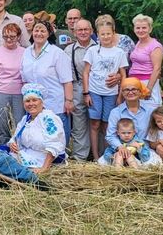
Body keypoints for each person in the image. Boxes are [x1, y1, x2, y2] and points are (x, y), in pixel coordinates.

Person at [21, 20, 73, 144]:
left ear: (49, 33)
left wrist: (69, 101)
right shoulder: (26, 52)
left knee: (57, 133)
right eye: (36, 30)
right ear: (32, 33)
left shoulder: (57, 53)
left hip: (54, 102)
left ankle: (60, 158)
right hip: (34, 104)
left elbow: (67, 81)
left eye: (42, 30)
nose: (39, 33)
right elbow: (24, 79)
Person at [82, 20, 128, 160]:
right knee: (95, 123)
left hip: (111, 93)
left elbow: (123, 74)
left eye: (109, 34)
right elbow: (86, 73)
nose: (106, 36)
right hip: (95, 92)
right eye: (103, 34)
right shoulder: (92, 50)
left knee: (107, 125)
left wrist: (120, 95)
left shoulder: (119, 52)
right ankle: (96, 156)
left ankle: (108, 155)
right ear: (97, 35)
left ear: (113, 34)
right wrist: (86, 93)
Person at [7, 83, 66, 173]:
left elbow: (55, 144)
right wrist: (12, 144)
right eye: (27, 101)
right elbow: (15, 137)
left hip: (43, 159)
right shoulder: (25, 119)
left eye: (34, 100)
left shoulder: (49, 118)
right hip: (27, 154)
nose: (31, 104)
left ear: (41, 102)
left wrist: (44, 168)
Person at [0, 23, 26, 145]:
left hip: (19, 92)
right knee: (2, 124)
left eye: (12, 36)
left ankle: (19, 149)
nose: (9, 39)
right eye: (5, 36)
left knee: (19, 123)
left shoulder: (25, 52)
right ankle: (3, 150)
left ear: (18, 37)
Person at [103, 78, 159, 166]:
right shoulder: (115, 112)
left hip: (143, 150)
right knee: (104, 164)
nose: (130, 92)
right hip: (121, 149)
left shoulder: (150, 110)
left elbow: (157, 130)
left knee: (153, 166)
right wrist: (120, 147)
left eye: (134, 89)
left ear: (140, 91)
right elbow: (110, 136)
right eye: (126, 90)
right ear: (122, 93)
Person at [64, 19, 97, 161]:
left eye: (86, 29)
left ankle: (100, 154)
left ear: (91, 31)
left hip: (97, 87)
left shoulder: (100, 47)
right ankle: (80, 156)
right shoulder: (68, 50)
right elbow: (67, 75)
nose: (83, 32)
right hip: (77, 87)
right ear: (75, 32)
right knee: (79, 123)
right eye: (80, 30)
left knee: (98, 122)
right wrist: (69, 97)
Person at [129, 14, 163, 106]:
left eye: (144, 27)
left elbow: (157, 68)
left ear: (150, 29)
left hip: (147, 81)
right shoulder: (138, 44)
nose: (140, 30)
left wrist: (149, 88)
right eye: (138, 28)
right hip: (134, 82)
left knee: (149, 109)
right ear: (134, 29)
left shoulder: (155, 46)